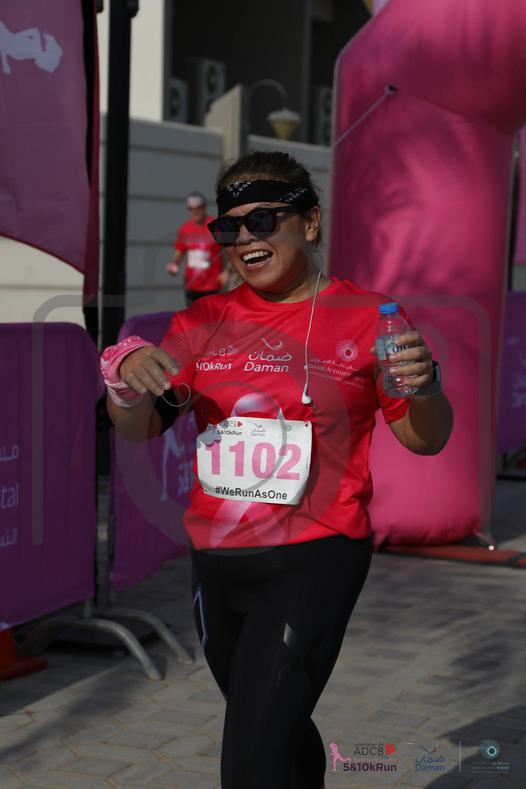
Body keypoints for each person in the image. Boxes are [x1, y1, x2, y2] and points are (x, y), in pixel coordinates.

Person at [103, 151, 453, 789]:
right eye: (229, 226)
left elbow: (424, 439)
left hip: (315, 556)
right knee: (275, 732)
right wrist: (124, 380)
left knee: (251, 756)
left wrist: (425, 386)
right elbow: (142, 427)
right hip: (217, 559)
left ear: (309, 222)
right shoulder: (201, 321)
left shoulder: (370, 317)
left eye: (263, 219)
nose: (245, 238)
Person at [166, 191, 228, 305]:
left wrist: (227, 271)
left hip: (213, 285)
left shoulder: (215, 226)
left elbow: (229, 249)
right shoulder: (184, 229)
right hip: (191, 284)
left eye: (198, 207)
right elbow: (179, 253)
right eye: (191, 208)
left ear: (204, 207)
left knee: (211, 316)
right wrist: (173, 264)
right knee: (192, 315)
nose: (195, 211)